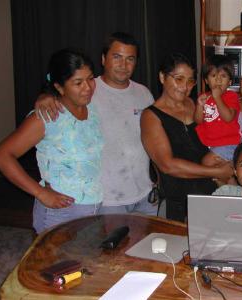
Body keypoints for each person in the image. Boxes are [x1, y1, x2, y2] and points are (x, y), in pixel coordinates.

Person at [34, 32, 157, 216]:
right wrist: (46, 95)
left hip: (144, 193)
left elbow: (153, 140)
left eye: (130, 59)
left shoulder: (144, 93)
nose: (123, 65)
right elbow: (61, 89)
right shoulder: (87, 91)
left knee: (148, 244)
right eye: (117, 57)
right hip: (106, 200)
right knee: (115, 245)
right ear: (103, 59)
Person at [0, 49, 102, 233]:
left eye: (91, 78)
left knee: (85, 260)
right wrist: (40, 193)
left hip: (94, 206)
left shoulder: (92, 109)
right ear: (59, 87)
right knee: (57, 262)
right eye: (78, 82)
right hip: (61, 211)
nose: (88, 87)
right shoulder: (47, 117)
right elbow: (2, 155)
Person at [140, 53, 234, 222]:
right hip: (180, 204)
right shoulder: (150, 116)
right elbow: (168, 165)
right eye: (179, 79)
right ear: (162, 77)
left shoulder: (195, 104)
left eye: (190, 81)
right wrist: (216, 171)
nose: (185, 87)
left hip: (212, 194)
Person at [194, 55, 240, 162]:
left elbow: (228, 117)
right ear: (206, 80)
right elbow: (198, 121)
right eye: (213, 75)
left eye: (223, 76)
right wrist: (199, 105)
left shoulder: (231, 96)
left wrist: (218, 98)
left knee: (207, 162)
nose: (218, 80)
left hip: (229, 143)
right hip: (209, 144)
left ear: (230, 82)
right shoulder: (204, 97)